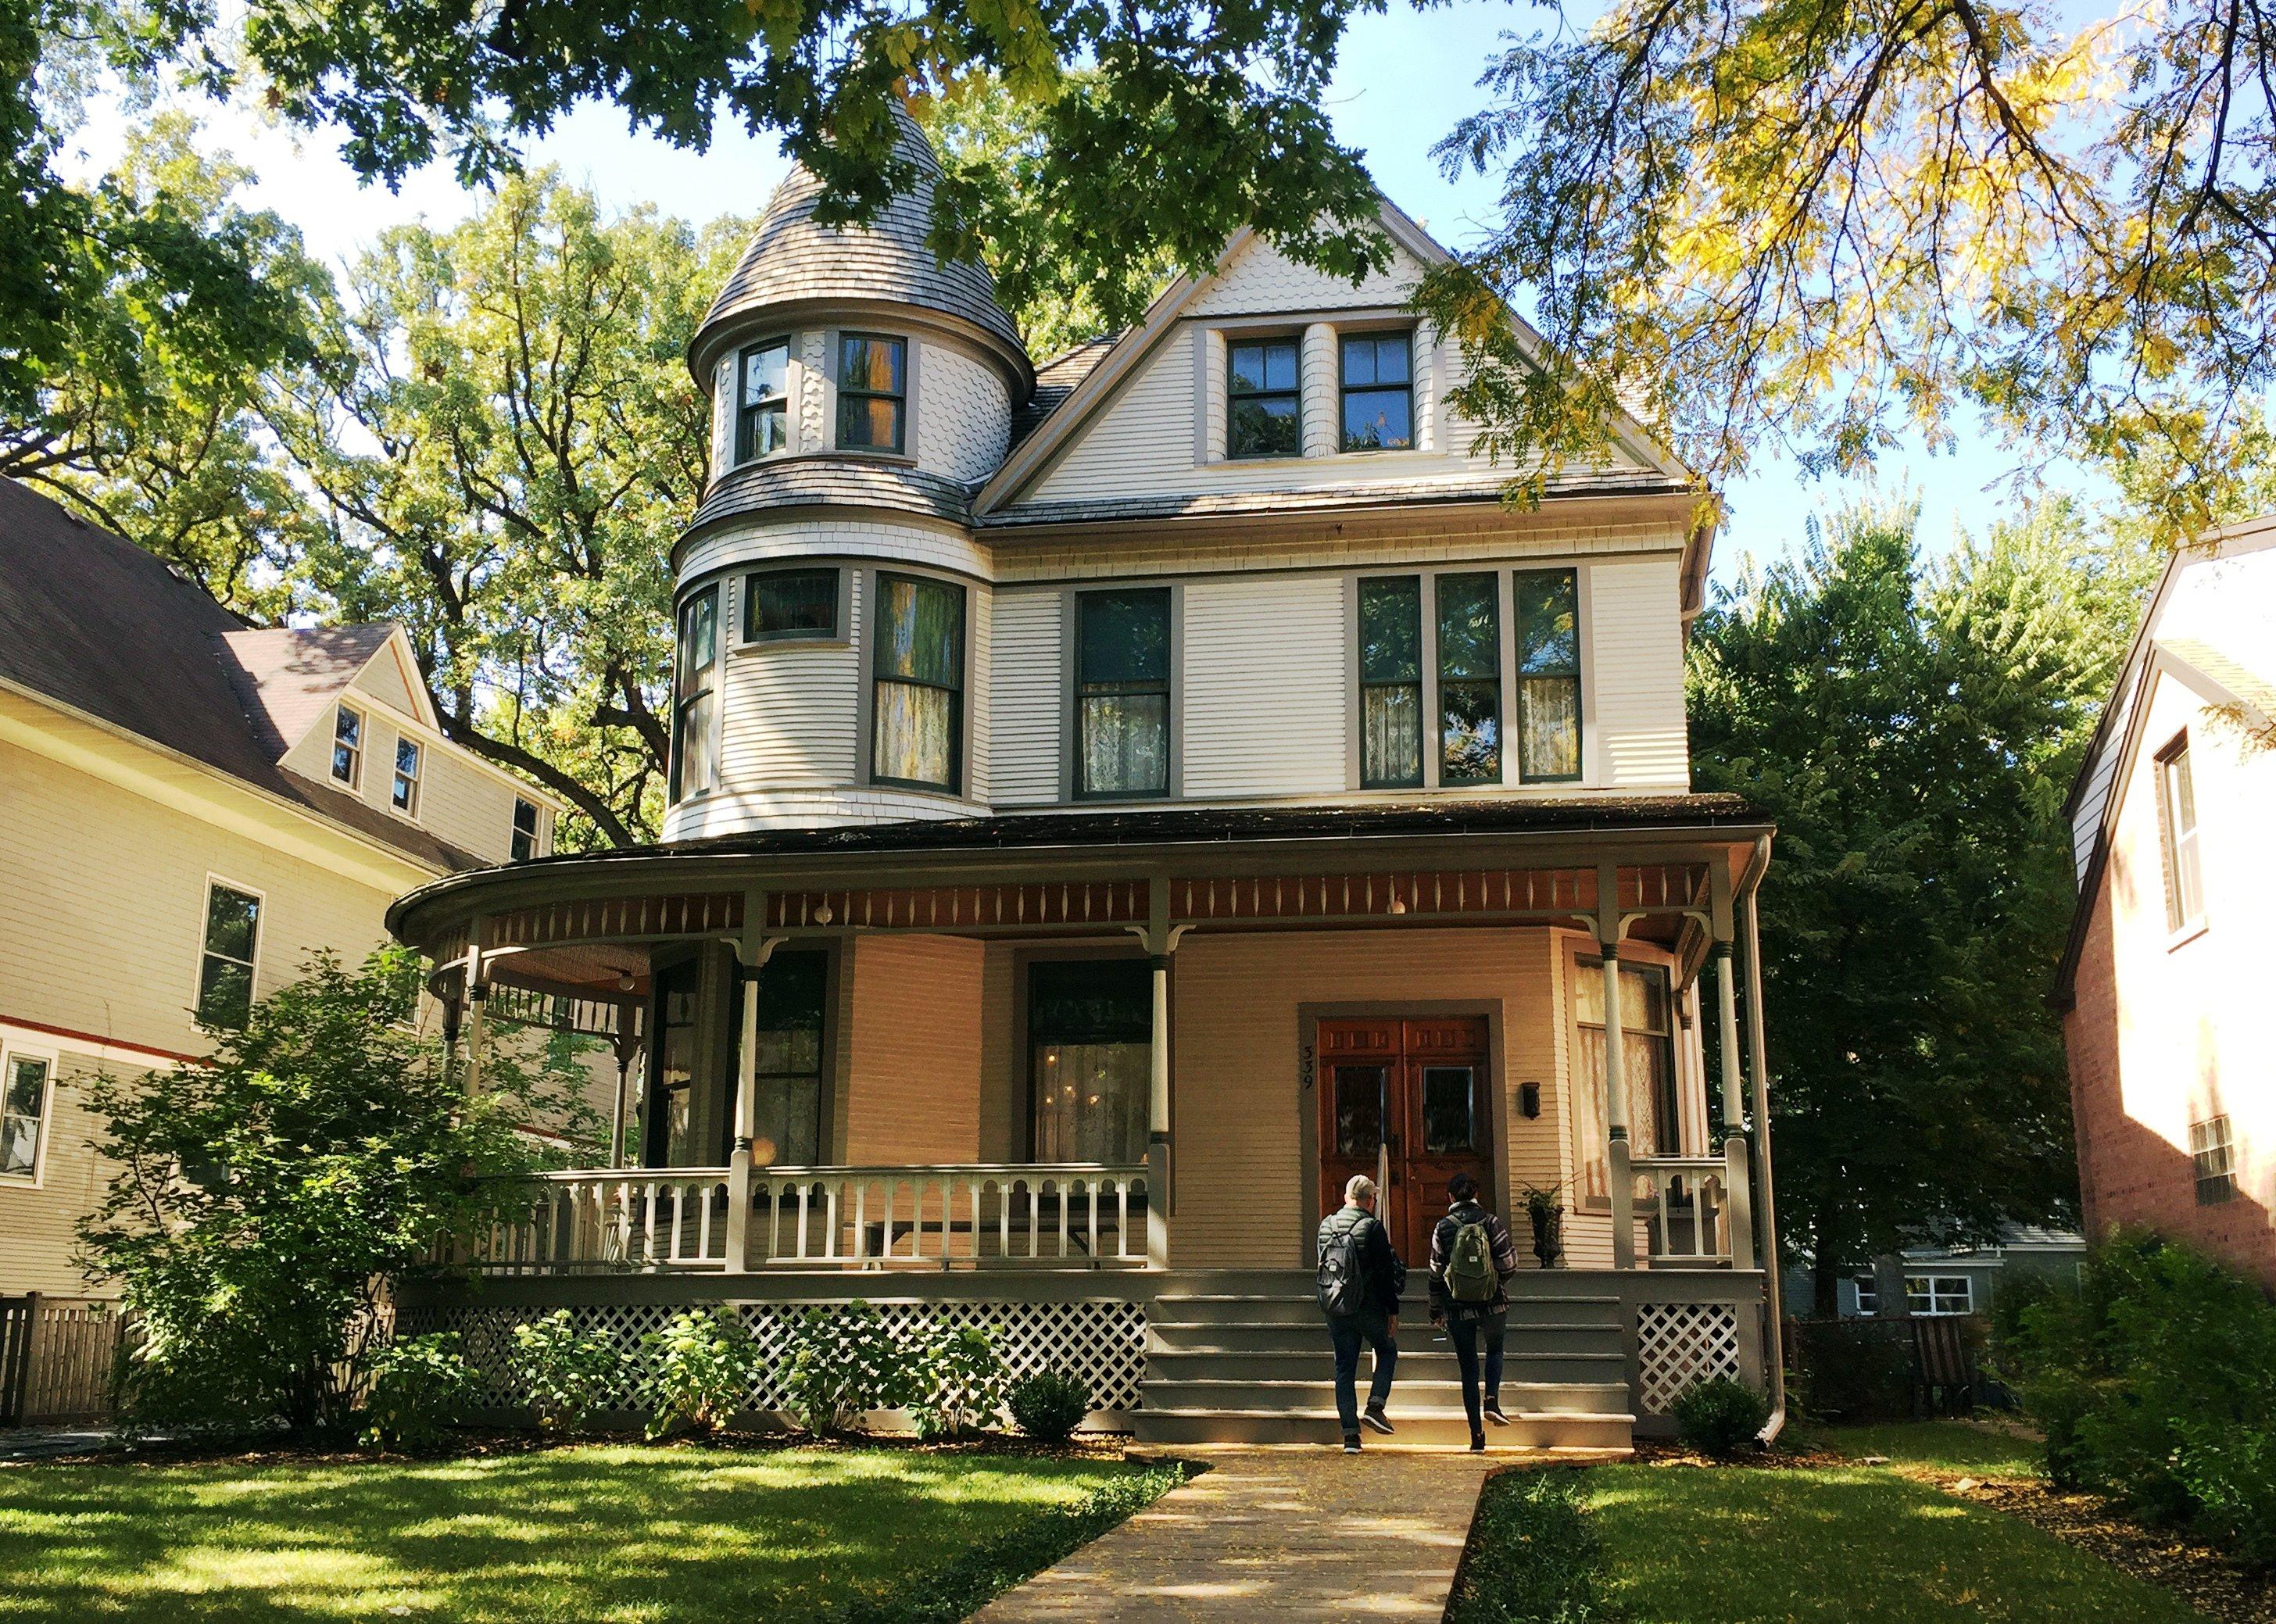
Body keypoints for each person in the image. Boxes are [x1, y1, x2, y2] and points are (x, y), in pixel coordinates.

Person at [1428, 1172, 1521, 1451]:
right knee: (1495, 1349)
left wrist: (1436, 1307)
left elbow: (1435, 1270)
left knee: (1468, 1369)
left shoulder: (1443, 1226)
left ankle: (1476, 1437)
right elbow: (1507, 1263)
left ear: (1450, 1197)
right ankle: (1491, 1400)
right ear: (1476, 1195)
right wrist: (1494, 1282)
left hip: (1457, 1307)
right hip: (1492, 1303)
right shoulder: (1491, 1222)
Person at [1315, 1173, 1406, 1453]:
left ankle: (1350, 1438)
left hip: (1336, 1307)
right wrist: (1392, 1310)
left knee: (1344, 1369)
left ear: (1346, 1197)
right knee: (1387, 1350)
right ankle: (1375, 1406)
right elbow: (1384, 1274)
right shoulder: (1372, 1227)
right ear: (1370, 1200)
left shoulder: (1326, 1225)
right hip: (1368, 1308)